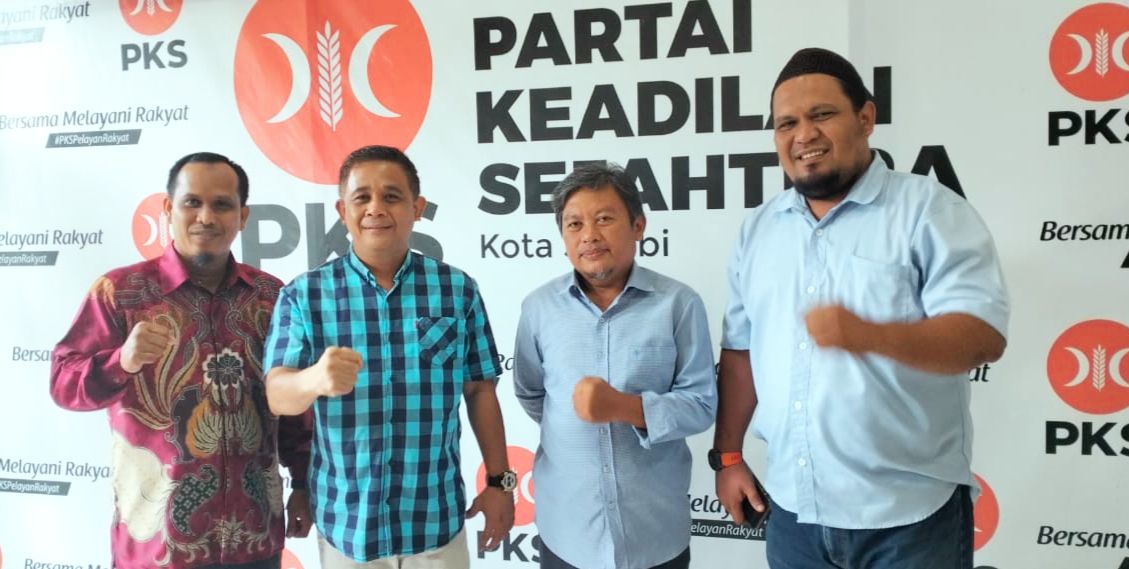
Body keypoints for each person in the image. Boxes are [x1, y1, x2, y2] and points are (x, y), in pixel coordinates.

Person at [712, 47, 1010, 569]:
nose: (804, 135)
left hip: (908, 519)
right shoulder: (758, 229)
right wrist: (729, 456)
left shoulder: (929, 211)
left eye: (822, 114)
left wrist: (871, 334)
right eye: (786, 123)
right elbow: (740, 353)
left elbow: (981, 335)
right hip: (794, 512)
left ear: (866, 118)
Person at [50, 152, 313, 569]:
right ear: (169, 209)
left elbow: (294, 401)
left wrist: (303, 483)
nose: (206, 217)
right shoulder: (121, 293)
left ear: (243, 216)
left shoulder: (270, 296)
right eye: (192, 202)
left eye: (221, 205)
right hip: (157, 546)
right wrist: (122, 361)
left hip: (254, 538)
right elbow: (64, 384)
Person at [262, 145, 515, 569]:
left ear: (417, 208)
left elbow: (479, 391)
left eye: (392, 196)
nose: (376, 208)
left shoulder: (456, 290)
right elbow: (277, 395)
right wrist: (314, 380)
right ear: (343, 211)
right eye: (362, 197)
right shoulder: (305, 295)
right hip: (347, 528)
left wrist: (500, 483)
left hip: (435, 523)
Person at [513, 162, 717, 569]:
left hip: (654, 533)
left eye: (604, 219)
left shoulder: (679, 304)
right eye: (574, 224)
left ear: (638, 225)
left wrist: (625, 408)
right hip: (567, 534)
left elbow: (701, 405)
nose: (589, 235)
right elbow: (532, 393)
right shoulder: (538, 308)